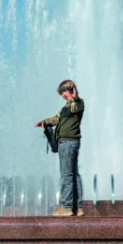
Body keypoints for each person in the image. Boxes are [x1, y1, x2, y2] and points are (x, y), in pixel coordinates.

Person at [35, 79, 84, 217]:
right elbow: (56, 119)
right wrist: (44, 122)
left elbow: (76, 107)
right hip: (67, 143)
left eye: (65, 90)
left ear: (72, 89)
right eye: (61, 92)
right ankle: (78, 207)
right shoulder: (65, 108)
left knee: (67, 175)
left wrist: (75, 96)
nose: (63, 94)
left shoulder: (78, 103)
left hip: (68, 142)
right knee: (74, 175)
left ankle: (67, 207)